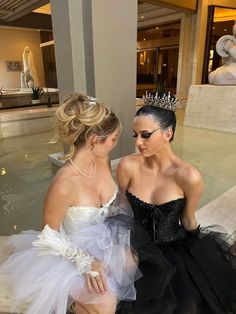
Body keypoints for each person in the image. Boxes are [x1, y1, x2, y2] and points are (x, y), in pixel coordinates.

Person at [0, 93, 138, 314]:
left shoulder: (100, 160)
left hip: (103, 239)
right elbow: (48, 236)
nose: (115, 144)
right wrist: (86, 263)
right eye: (113, 139)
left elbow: (113, 202)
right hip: (70, 253)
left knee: (132, 264)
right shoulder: (64, 183)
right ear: (94, 140)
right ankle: (77, 305)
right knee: (104, 303)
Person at [116, 91, 236, 314]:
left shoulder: (189, 176)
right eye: (135, 135)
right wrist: (123, 246)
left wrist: (199, 255)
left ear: (168, 133)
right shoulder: (127, 166)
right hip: (135, 248)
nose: (138, 143)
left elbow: (188, 219)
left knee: (187, 305)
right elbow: (123, 210)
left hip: (173, 251)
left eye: (146, 135)